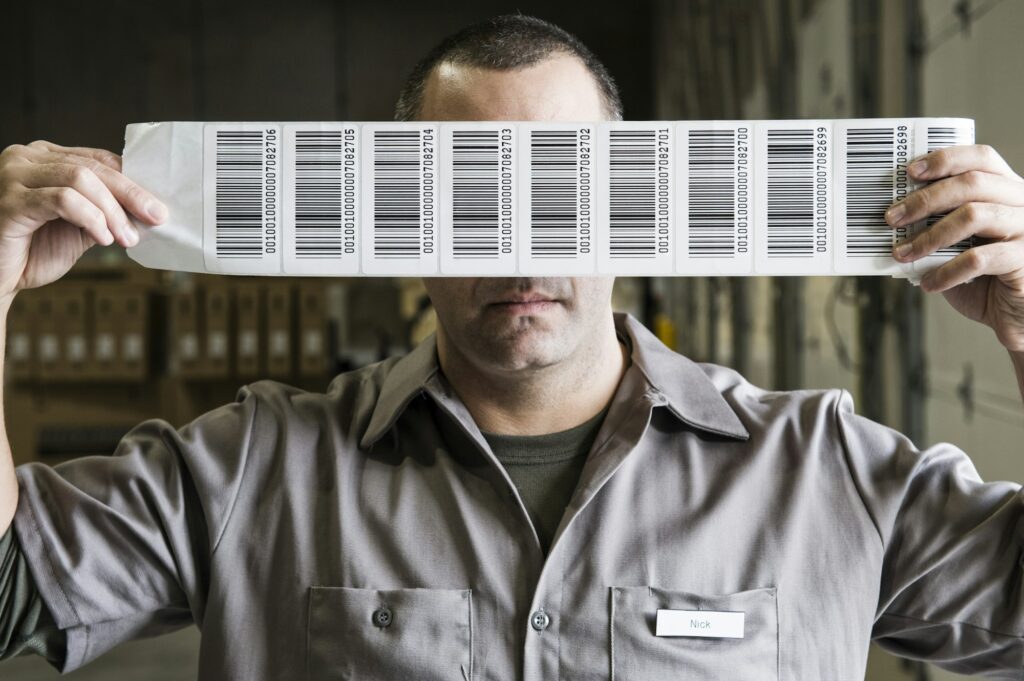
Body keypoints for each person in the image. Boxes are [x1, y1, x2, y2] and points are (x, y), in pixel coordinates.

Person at [1, 13, 1024, 680]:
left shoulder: (826, 472)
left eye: (564, 193)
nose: (522, 242)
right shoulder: (251, 466)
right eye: (467, 197)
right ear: (396, 218)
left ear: (633, 210)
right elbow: (14, 588)